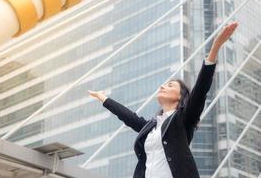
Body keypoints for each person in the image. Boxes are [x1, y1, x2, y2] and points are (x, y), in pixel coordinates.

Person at [88, 22, 238, 178]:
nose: (163, 87)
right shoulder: (152, 126)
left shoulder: (183, 119)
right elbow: (128, 117)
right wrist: (103, 98)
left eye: (170, 85)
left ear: (180, 96)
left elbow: (200, 90)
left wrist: (215, 47)